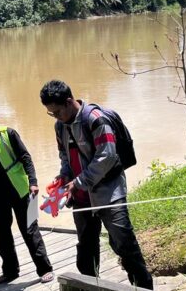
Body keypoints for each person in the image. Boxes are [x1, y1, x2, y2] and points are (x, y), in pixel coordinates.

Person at [39, 80, 153, 289]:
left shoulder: (96, 120)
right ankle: (89, 286)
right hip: (81, 198)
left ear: (68, 102)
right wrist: (64, 176)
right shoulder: (60, 126)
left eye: (56, 112)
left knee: (125, 245)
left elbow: (107, 156)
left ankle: (143, 287)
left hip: (109, 193)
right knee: (86, 249)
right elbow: (64, 155)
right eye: (51, 114)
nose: (55, 117)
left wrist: (80, 181)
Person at [0, 112, 54, 284]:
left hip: (20, 188)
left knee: (30, 229)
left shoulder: (7, 132)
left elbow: (26, 157)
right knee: (2, 233)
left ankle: (45, 269)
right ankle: (11, 271)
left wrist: (33, 182)